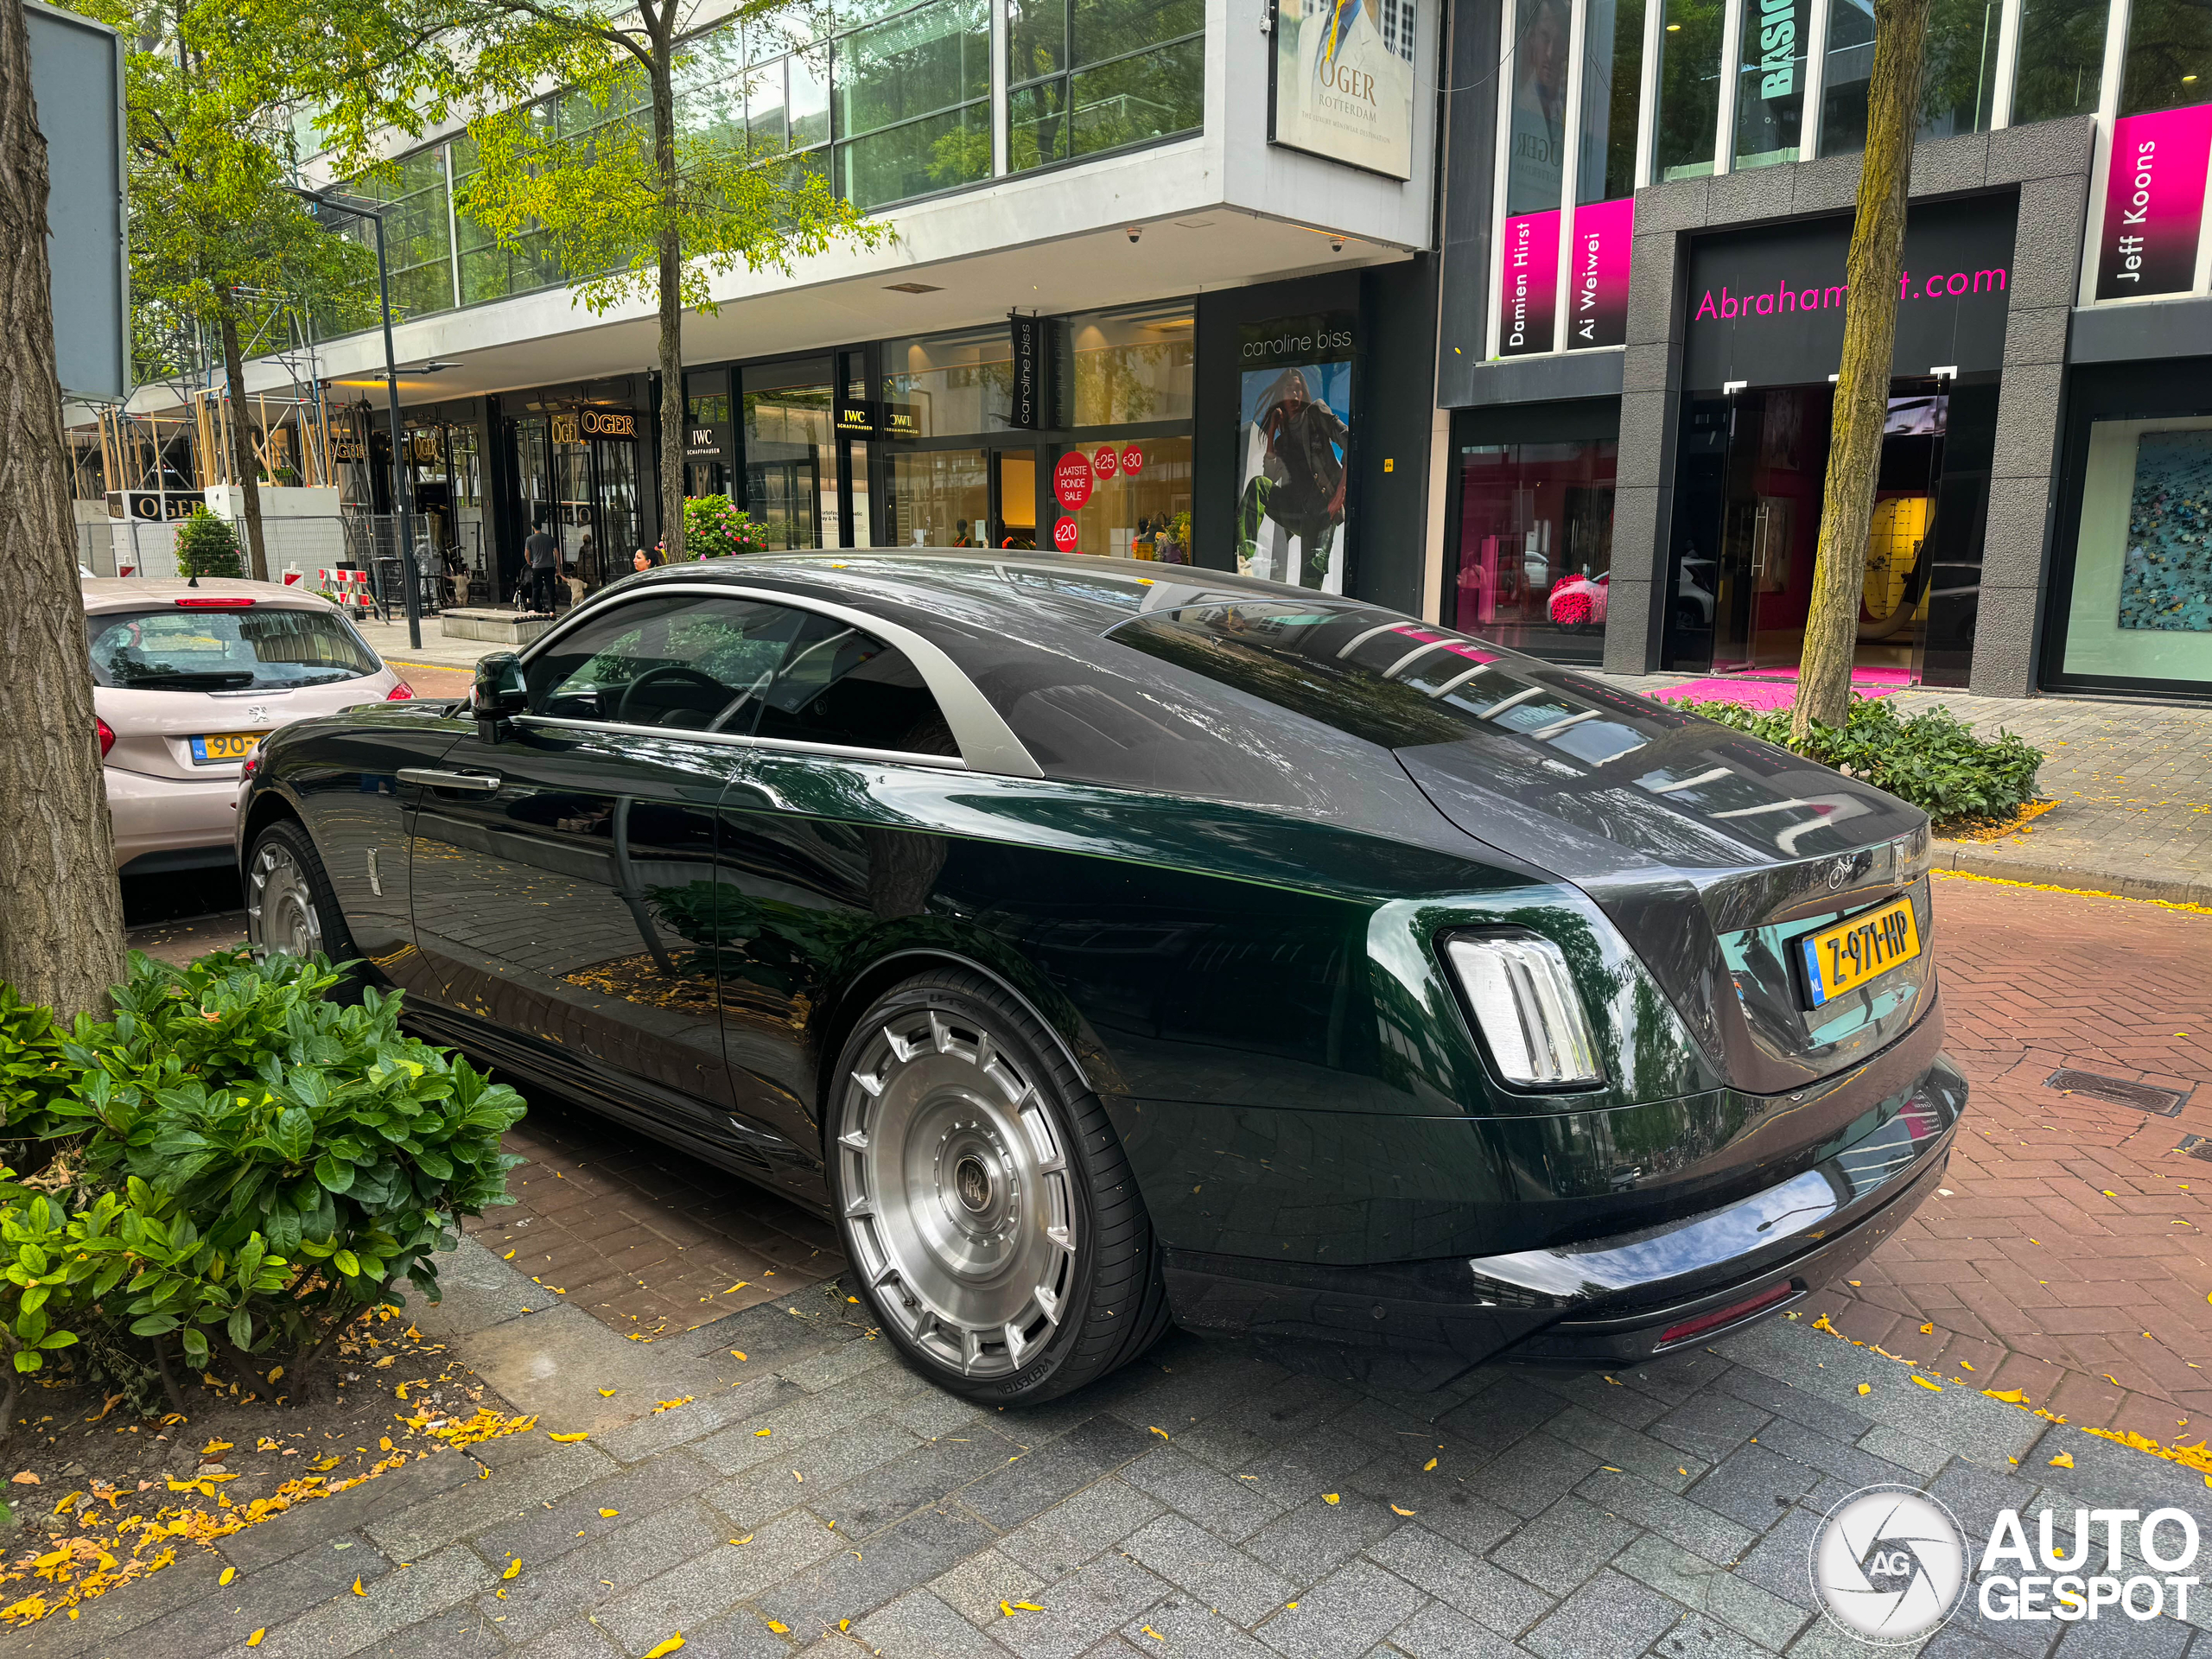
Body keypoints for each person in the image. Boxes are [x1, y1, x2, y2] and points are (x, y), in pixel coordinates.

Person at [1237, 366, 1350, 589]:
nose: (1295, 395)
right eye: (1289, 389)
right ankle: (1242, 558)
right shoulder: (1282, 442)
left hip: (1322, 507)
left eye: (1298, 389)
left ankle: (1311, 621)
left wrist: (1341, 493)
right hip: (1297, 510)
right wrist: (1271, 433)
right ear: (1281, 395)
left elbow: (1351, 441)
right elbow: (1269, 478)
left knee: (1311, 574)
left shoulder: (1316, 412)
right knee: (1259, 485)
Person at [523, 518, 559, 614]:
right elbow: (556, 552)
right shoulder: (550, 538)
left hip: (537, 567)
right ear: (541, 526)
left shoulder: (529, 539)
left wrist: (529, 562)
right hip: (550, 566)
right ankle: (552, 609)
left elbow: (526, 553)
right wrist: (558, 565)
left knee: (536, 587)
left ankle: (536, 608)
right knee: (550, 588)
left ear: (533, 527)